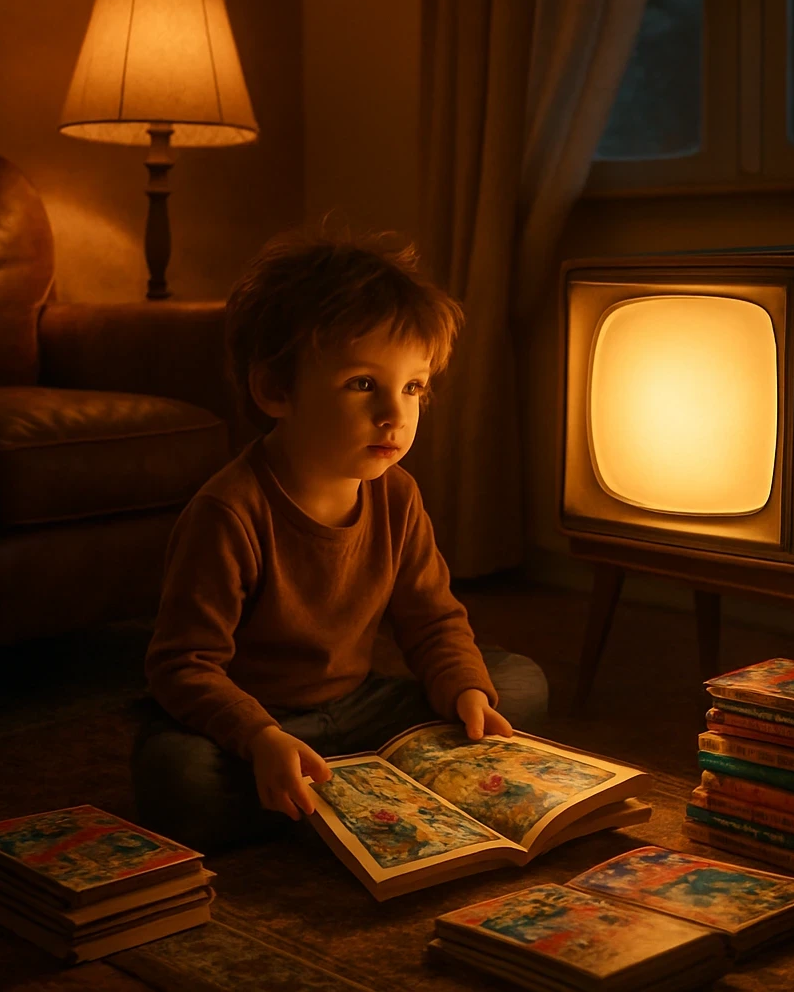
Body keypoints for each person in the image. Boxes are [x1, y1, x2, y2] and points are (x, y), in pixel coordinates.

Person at [130, 224, 549, 854]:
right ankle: (324, 778)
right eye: (363, 385)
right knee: (180, 780)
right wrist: (261, 737)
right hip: (251, 723)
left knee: (516, 683)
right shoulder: (229, 511)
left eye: (413, 387)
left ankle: (320, 790)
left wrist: (464, 691)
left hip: (356, 707)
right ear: (276, 390)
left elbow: (432, 620)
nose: (395, 414)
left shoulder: (397, 494)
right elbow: (181, 666)